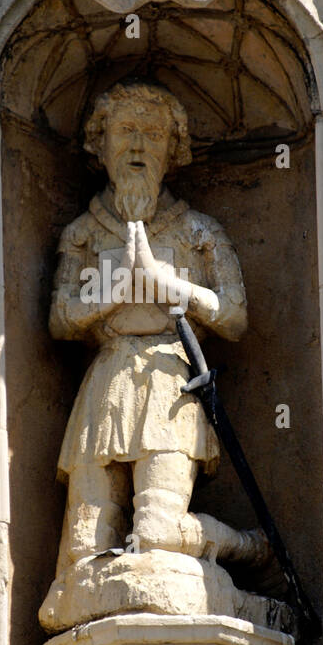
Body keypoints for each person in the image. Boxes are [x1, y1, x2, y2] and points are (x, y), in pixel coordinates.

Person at [46, 78, 269, 601]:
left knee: (157, 534)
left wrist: (165, 284)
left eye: (152, 134)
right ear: (100, 145)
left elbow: (233, 317)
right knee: (82, 553)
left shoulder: (198, 231)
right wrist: (117, 290)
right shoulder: (83, 232)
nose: (139, 146)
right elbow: (60, 319)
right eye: (126, 131)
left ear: (174, 150)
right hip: (105, 382)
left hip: (171, 382)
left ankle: (244, 547)